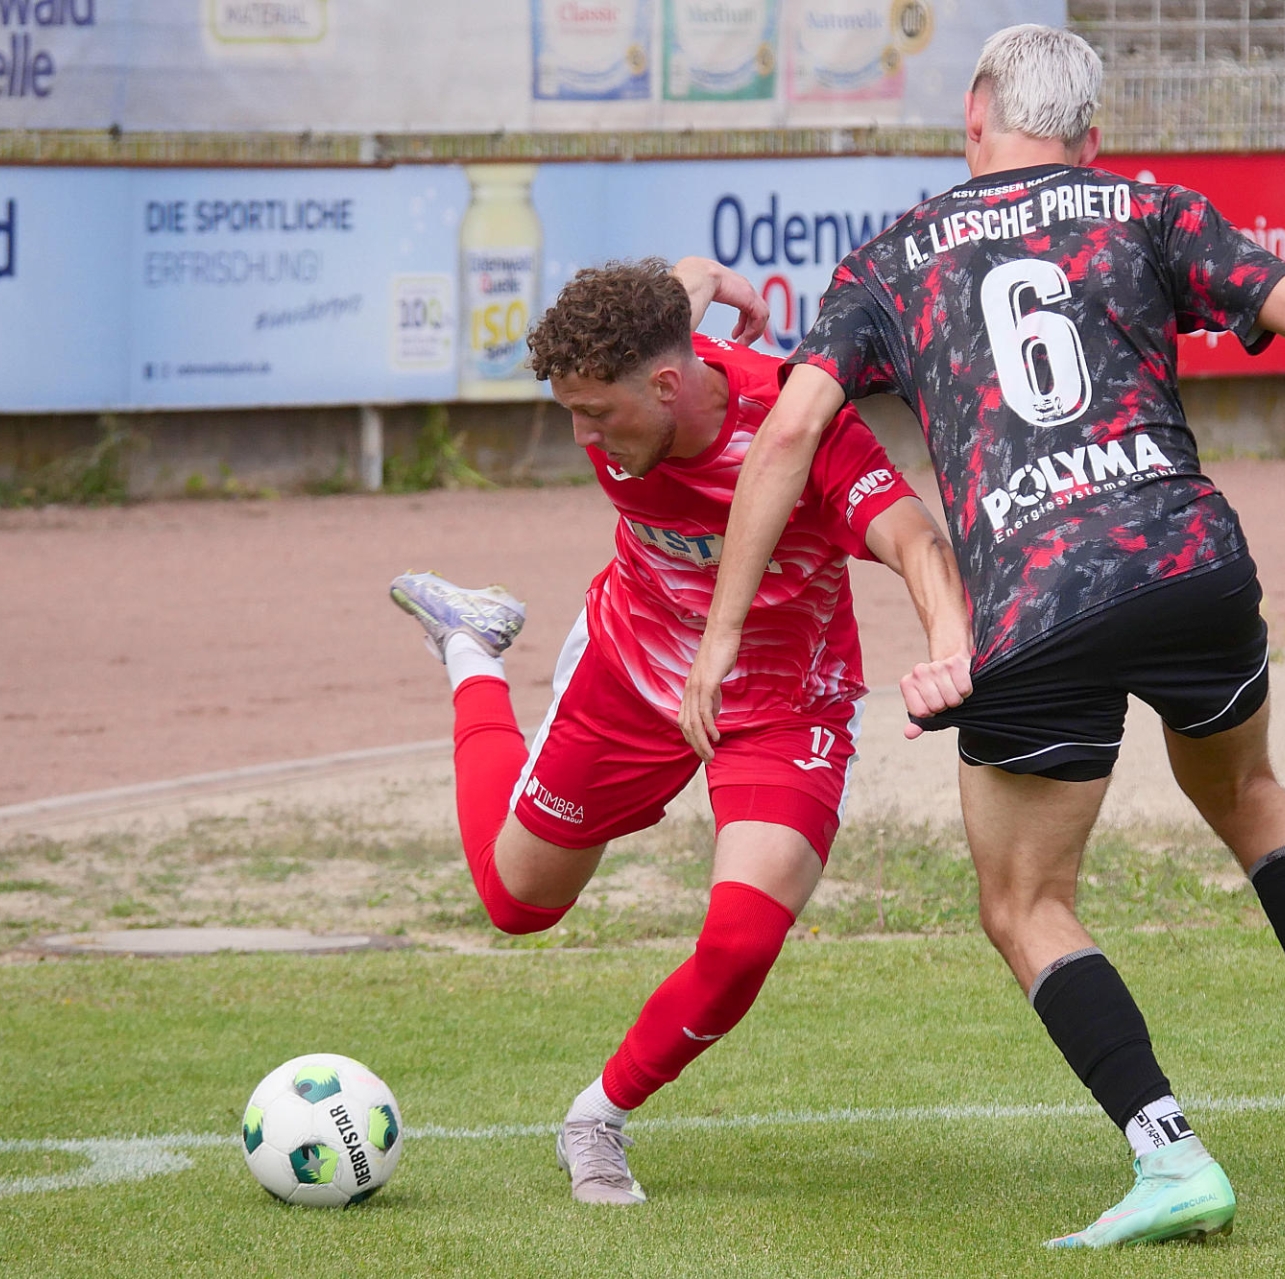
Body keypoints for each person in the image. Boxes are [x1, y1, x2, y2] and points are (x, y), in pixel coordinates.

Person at [681, 25, 1285, 1249]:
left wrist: (720, 636)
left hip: (1036, 602)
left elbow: (791, 435)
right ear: (1090, 136)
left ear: (974, 117)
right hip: (1190, 564)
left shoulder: (894, 257)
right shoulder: (1146, 207)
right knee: (1248, 789)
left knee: (1024, 899)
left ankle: (1169, 1154)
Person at [389, 256, 968, 1206]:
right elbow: (677, 291)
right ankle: (471, 648)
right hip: (631, 662)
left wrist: (948, 653)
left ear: (668, 383)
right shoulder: (643, 363)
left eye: (596, 414)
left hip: (785, 699)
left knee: (740, 940)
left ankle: (597, 1117)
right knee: (517, 903)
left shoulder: (798, 424)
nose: (584, 438)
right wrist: (703, 275)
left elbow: (918, 539)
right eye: (571, 413)